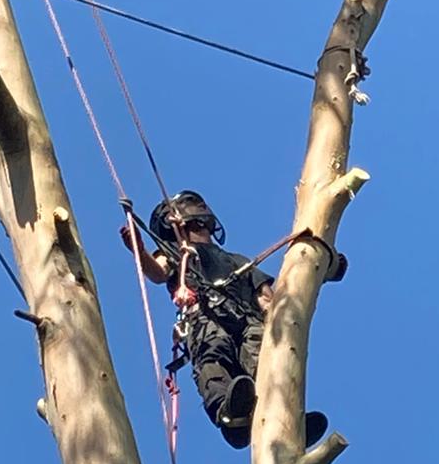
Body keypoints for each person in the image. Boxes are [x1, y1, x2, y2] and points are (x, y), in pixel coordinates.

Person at [120, 191, 330, 450]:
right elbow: (158, 272)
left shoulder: (237, 261)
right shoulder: (175, 252)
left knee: (262, 357)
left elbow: (266, 298)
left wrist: (280, 318)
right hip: (205, 314)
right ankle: (230, 413)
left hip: (247, 316)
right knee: (213, 352)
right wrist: (139, 250)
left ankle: (286, 416)